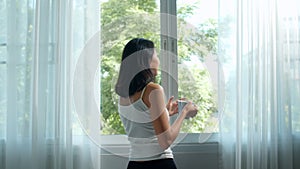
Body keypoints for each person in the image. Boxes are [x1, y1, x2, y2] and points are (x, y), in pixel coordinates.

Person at [115, 38, 198, 169]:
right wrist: (185, 111)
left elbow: (142, 123)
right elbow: (166, 141)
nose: (158, 60)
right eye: (156, 55)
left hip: (134, 165)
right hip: (159, 164)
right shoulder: (153, 90)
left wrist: (165, 112)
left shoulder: (124, 94)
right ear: (146, 60)